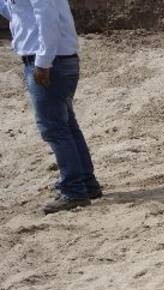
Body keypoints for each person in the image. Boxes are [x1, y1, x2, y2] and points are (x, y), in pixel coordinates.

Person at [1, 0, 102, 214]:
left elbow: (47, 19)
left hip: (50, 63)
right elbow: (19, 14)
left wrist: (43, 63)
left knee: (54, 129)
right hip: (54, 61)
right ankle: (86, 183)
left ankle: (74, 190)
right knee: (67, 126)